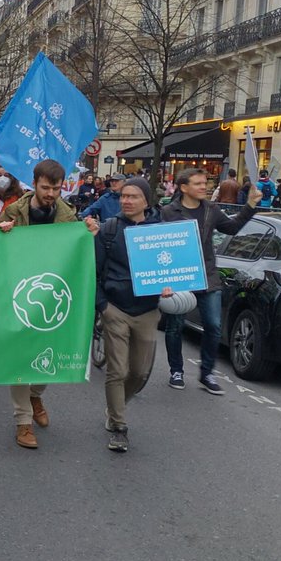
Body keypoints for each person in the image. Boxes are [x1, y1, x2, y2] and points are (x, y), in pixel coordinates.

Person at [0, 159, 88, 450]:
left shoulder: (68, 216)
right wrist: (2, 235)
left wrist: (87, 234)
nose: (51, 193)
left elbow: (76, 251)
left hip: (53, 294)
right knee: (19, 359)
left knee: (50, 356)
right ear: (34, 184)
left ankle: (36, 394)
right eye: (46, 187)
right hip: (20, 293)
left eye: (56, 188)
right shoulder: (14, 211)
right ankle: (23, 422)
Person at [161, 166, 261, 394]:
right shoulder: (168, 212)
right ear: (184, 187)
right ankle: (176, 370)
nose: (204, 187)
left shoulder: (211, 209)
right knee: (175, 326)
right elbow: (160, 246)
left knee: (214, 327)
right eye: (198, 184)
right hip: (180, 278)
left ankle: (207, 373)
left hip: (207, 276)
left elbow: (232, 228)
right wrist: (164, 279)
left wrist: (251, 205)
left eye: (205, 183)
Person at [93, 177, 170, 453]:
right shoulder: (110, 229)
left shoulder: (161, 233)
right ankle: (119, 426)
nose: (126, 200)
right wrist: (103, 306)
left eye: (133, 196)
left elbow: (171, 270)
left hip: (147, 311)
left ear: (146, 201)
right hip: (115, 310)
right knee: (118, 370)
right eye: (124, 196)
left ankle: (116, 407)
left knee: (138, 372)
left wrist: (169, 287)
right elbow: (94, 272)